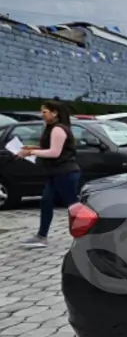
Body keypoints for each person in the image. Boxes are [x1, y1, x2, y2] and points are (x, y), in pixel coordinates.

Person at [19, 101, 81, 248]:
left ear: (54, 113)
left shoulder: (58, 129)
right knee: (46, 202)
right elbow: (50, 147)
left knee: (74, 206)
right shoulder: (51, 128)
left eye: (45, 112)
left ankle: (89, 234)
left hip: (65, 173)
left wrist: (31, 152)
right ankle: (41, 236)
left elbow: (54, 152)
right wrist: (33, 147)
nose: (42, 114)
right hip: (56, 173)